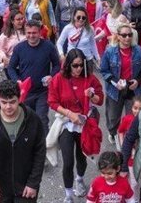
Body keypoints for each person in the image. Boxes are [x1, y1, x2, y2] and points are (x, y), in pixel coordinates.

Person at [0, 79, 47, 203]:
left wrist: (33, 182)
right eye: (4, 102)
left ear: (19, 98)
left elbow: (40, 151)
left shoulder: (32, 119)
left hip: (26, 188)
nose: (8, 107)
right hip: (1, 190)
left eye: (12, 102)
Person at [47, 48, 104, 202]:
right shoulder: (59, 79)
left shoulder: (90, 79)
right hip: (67, 124)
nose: (78, 69)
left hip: (84, 125)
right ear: (68, 65)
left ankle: (79, 179)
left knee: (81, 158)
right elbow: (52, 102)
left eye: (81, 65)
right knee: (68, 161)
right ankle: (68, 194)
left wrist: (92, 95)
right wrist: (70, 114)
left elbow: (100, 100)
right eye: (75, 65)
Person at [7, 20, 61, 132]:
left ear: (40, 32)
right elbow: (11, 68)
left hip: (43, 91)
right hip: (25, 92)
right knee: (26, 120)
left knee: (41, 119)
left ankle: (44, 146)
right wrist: (17, 80)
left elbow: (57, 65)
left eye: (34, 33)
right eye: (29, 33)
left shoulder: (48, 46)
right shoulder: (19, 48)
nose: (31, 36)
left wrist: (52, 76)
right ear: (25, 32)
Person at [100, 23, 141, 144]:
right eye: (124, 35)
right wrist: (115, 83)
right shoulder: (110, 52)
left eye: (130, 35)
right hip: (115, 89)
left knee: (133, 117)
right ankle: (113, 133)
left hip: (133, 89)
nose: (127, 38)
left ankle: (130, 137)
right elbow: (104, 71)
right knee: (113, 116)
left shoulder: (139, 51)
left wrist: (138, 81)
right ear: (118, 36)